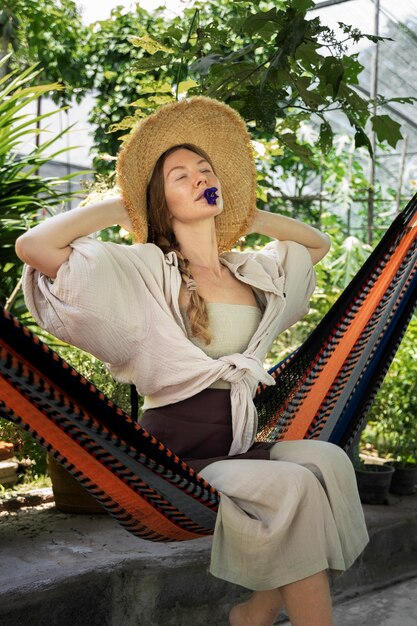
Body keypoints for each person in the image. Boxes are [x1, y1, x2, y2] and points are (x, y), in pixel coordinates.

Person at [16, 96, 369, 626]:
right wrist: (126, 204)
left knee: (329, 462)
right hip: (176, 459)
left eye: (205, 170)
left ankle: (254, 612)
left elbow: (313, 245)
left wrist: (246, 214)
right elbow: (34, 246)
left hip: (237, 441)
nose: (200, 177)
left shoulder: (249, 269)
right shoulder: (146, 271)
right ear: (161, 201)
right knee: (295, 486)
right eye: (180, 176)